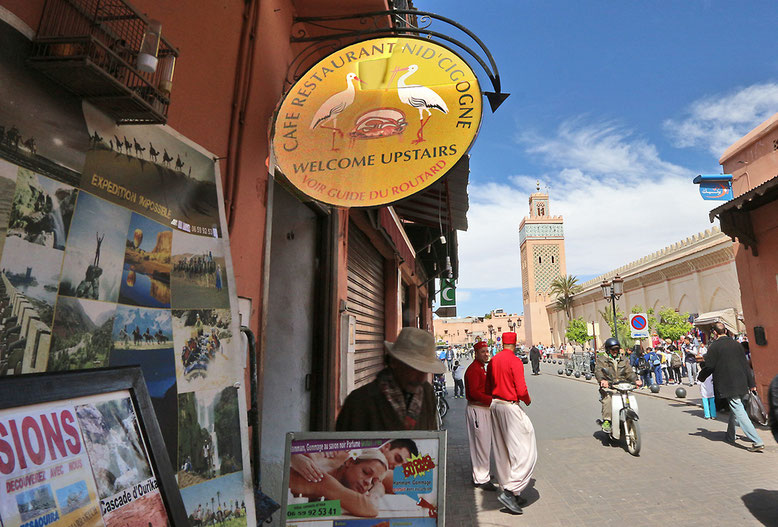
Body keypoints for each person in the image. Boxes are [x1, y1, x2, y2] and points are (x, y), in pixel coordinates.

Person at [336, 327, 445, 431]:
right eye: (414, 368)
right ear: (394, 362)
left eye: (425, 370)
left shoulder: (427, 393)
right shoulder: (359, 402)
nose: (421, 377)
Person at [485, 332, 536, 515]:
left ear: (502, 343)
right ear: (514, 344)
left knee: (502, 451)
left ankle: (512, 492)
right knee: (526, 450)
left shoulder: (493, 361)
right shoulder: (514, 360)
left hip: (494, 405)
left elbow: (487, 387)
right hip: (509, 406)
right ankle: (509, 491)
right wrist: (527, 400)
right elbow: (521, 388)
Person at [698, 322, 764, 452]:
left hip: (728, 384)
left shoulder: (714, 347)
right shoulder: (737, 344)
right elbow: (745, 365)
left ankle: (757, 441)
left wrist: (701, 377)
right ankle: (730, 436)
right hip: (742, 382)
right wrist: (751, 384)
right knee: (735, 409)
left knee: (738, 410)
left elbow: (709, 366)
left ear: (715, 333)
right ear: (726, 331)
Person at [288, 448, 388, 517]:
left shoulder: (338, 474)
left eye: (373, 482)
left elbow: (381, 485)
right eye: (366, 472)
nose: (368, 483)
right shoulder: (321, 476)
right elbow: (370, 508)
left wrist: (375, 492)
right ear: (350, 462)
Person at [464, 341, 496, 490]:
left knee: (483, 444)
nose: (486, 354)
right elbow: (475, 393)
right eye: (482, 351)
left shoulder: (480, 368)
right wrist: (493, 400)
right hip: (478, 410)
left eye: (487, 351)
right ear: (476, 354)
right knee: (481, 445)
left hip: (482, 410)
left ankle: (482, 473)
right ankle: (482, 478)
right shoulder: (473, 370)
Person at [595, 338, 641, 433]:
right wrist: (603, 380)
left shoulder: (624, 359)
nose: (615, 351)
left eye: (617, 349)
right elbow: (598, 371)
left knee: (629, 398)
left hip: (622, 385)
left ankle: (629, 417)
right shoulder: (602, 360)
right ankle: (607, 420)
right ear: (608, 350)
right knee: (608, 399)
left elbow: (629, 372)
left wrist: (636, 380)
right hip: (609, 387)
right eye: (613, 349)